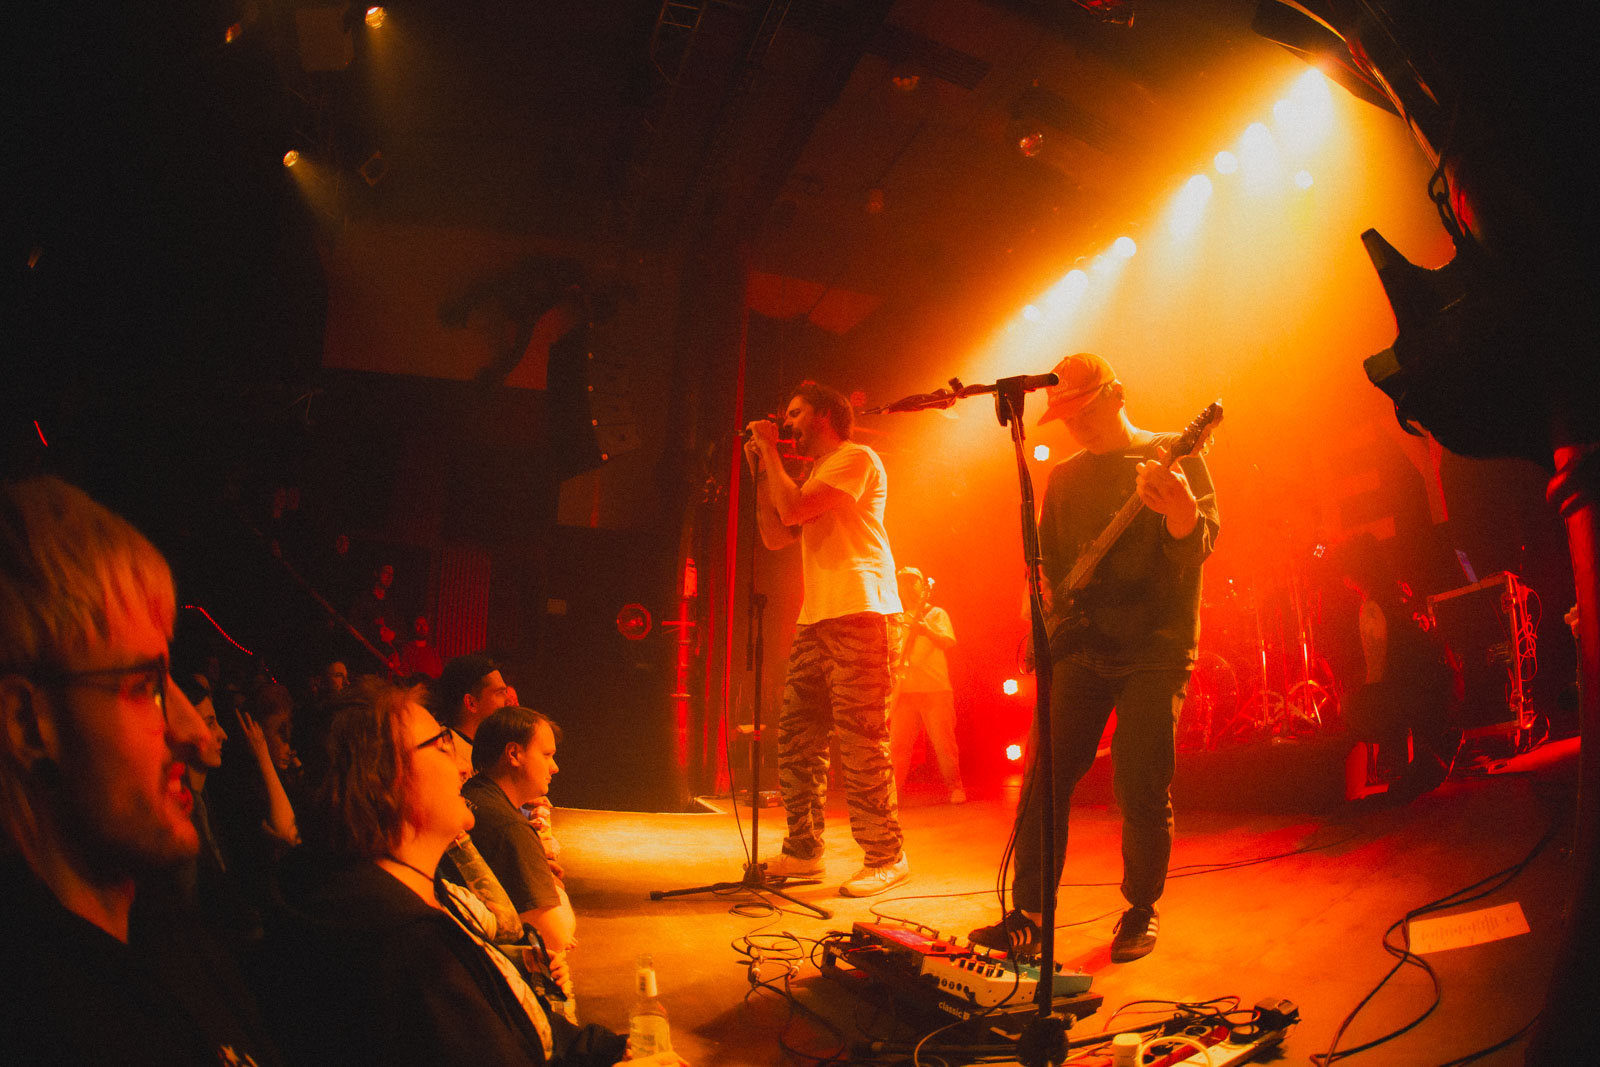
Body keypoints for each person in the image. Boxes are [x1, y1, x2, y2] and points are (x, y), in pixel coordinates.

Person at [256, 677, 685, 1067]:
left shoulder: (432, 893)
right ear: (387, 776)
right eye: (443, 746)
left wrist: (610, 1050)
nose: (464, 767)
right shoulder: (400, 947)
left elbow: (520, 1023)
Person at [0, 475, 282, 1066]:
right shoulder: (36, 1022)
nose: (196, 733)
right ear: (27, 722)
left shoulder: (168, 929)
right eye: (144, 687)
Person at [970, 352, 1219, 964]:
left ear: (1118, 394)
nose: (1077, 426)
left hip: (1156, 646)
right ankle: (1030, 914)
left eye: (1085, 411)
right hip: (1082, 645)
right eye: (1067, 417)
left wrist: (1180, 512)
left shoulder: (1174, 453)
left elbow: (1197, 545)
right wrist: (1043, 610)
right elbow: (1051, 568)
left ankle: (1141, 908)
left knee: (1139, 782)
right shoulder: (1066, 478)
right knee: (1045, 776)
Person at [743, 380, 909, 897]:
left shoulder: (855, 458)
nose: (786, 422)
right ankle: (803, 850)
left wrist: (770, 450)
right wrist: (761, 470)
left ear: (824, 416)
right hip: (816, 618)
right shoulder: (812, 474)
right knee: (796, 738)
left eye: (795, 413)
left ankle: (887, 856)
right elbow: (776, 535)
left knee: (861, 742)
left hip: (863, 613)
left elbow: (793, 510)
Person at [1336, 533, 1461, 800]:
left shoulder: (1371, 606)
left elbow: (1378, 671)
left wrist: (1357, 702)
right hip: (1444, 687)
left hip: (1415, 695)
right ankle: (1419, 758)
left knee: (1352, 705)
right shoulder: (1401, 592)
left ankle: (1393, 766)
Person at [463, 706, 577, 955]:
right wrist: (554, 887)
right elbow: (555, 938)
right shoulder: (510, 829)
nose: (554, 767)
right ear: (514, 754)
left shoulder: (471, 794)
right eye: (547, 755)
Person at [889, 567, 966, 804]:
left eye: (912, 582)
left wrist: (926, 630)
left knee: (944, 744)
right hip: (905, 691)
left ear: (923, 586)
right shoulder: (896, 618)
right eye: (903, 583)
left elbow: (947, 642)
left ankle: (956, 787)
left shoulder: (935, 613)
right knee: (897, 746)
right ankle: (893, 793)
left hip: (935, 689)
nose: (907, 587)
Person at [433, 652, 513, 768]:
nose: (510, 701)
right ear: (471, 703)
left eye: (506, 692)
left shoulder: (491, 749)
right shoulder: (442, 749)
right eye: (500, 693)